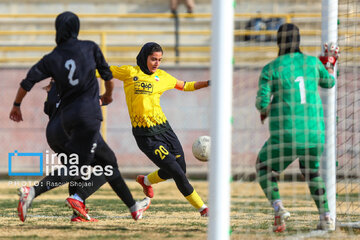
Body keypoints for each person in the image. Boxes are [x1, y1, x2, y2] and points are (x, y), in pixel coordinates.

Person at [9, 11, 150, 222]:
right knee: (80, 166)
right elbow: (108, 77)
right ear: (77, 28)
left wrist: (16, 105)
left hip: (66, 119)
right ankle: (34, 192)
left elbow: (26, 83)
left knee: (106, 161)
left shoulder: (52, 58)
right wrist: (108, 96)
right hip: (88, 115)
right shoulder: (90, 47)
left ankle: (131, 207)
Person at [98, 42, 210, 216]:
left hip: (165, 130)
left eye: (159, 59)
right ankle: (203, 209)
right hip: (146, 136)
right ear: (144, 57)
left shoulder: (162, 76)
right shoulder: (130, 72)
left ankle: (146, 181)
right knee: (178, 174)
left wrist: (209, 83)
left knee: (180, 168)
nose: (157, 63)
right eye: (153, 59)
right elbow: (103, 71)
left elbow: (185, 85)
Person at [255, 23, 338, 232]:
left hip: (287, 133)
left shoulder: (271, 68)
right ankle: (326, 216)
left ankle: (278, 208)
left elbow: (261, 103)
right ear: (299, 41)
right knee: (311, 171)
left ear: (277, 42)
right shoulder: (312, 62)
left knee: (263, 167)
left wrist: (265, 109)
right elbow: (329, 82)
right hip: (315, 133)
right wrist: (329, 63)